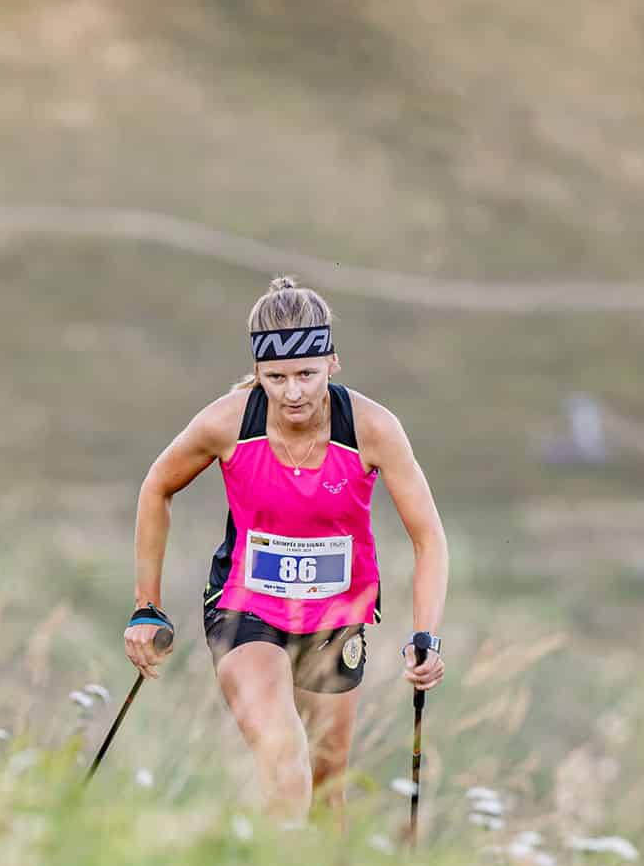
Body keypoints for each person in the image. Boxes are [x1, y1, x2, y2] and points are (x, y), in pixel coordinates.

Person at [123, 276, 448, 827]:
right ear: (258, 374)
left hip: (335, 621)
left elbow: (429, 539)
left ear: (333, 364)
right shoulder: (227, 422)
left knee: (327, 797)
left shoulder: (372, 429)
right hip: (245, 610)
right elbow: (157, 486)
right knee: (282, 755)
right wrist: (145, 606)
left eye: (306, 375)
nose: (292, 392)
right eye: (275, 378)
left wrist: (426, 636)